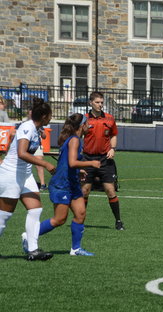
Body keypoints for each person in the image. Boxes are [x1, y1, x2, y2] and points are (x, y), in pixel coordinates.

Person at [37, 113, 101, 256]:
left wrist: (79, 171)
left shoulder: (75, 139)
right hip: (62, 184)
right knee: (59, 219)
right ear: (82, 126)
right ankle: (29, 236)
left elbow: (67, 163)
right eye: (88, 124)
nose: (89, 126)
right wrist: (91, 163)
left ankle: (76, 249)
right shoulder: (74, 140)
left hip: (72, 183)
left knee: (80, 213)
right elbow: (72, 162)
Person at [0, 98, 55, 260]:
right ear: (44, 116)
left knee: (35, 209)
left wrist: (40, 131)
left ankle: (33, 250)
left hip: (25, 174)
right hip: (11, 174)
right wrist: (45, 164)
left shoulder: (36, 127)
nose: (51, 118)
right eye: (50, 115)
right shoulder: (27, 127)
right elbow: (22, 153)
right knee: (4, 216)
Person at [82, 91, 125, 230]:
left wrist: (113, 148)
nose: (100, 105)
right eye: (97, 102)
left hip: (104, 160)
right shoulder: (84, 119)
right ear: (90, 103)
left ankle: (118, 221)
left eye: (101, 102)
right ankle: (80, 221)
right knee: (85, 191)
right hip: (87, 159)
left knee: (110, 190)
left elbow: (113, 135)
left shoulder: (109, 118)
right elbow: (76, 136)